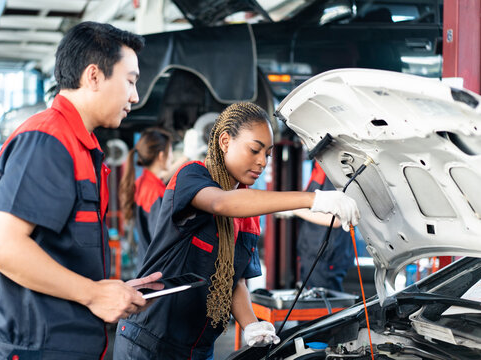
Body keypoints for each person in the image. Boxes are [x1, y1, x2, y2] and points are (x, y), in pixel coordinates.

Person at [113, 102, 360, 359]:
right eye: (254, 150)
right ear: (225, 141)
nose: (262, 161)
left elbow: (235, 281)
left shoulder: (248, 217)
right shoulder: (192, 176)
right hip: (149, 343)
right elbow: (221, 203)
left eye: (267, 154)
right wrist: (312, 199)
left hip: (198, 349)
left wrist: (251, 323)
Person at [0, 21, 161, 360]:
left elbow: (59, 251)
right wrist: (93, 294)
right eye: (131, 81)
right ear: (93, 76)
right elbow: (0, 247)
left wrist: (110, 289)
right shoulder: (48, 140)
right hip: (36, 348)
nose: (135, 96)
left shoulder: (79, 145)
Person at [293, 161, 355, 292]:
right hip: (312, 253)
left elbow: (337, 219)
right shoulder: (317, 165)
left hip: (326, 257)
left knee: (325, 306)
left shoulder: (332, 167)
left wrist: (294, 209)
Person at [119, 127, 174, 270]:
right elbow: (162, 242)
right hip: (158, 273)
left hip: (145, 266)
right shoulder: (155, 192)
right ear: (161, 156)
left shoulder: (143, 182)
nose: (172, 157)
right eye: (171, 152)